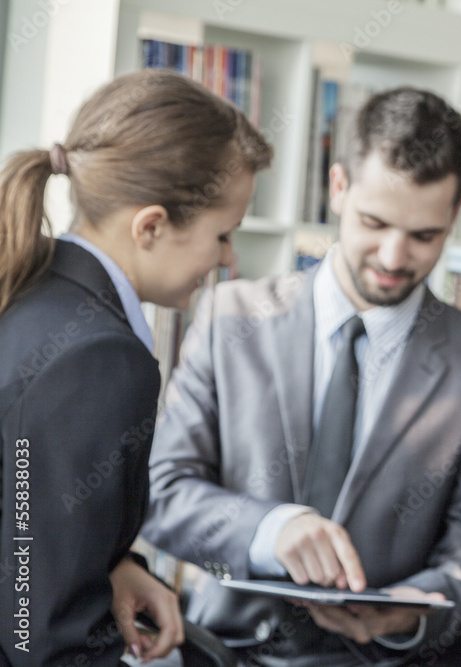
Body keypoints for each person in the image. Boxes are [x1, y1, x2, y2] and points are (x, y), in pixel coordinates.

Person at [140, 86, 461, 665]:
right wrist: (271, 530)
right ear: (338, 187)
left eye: (424, 236)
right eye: (375, 223)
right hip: (231, 650)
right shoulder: (231, 318)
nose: (395, 256)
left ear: (456, 214)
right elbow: (164, 493)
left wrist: (407, 613)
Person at [0, 69, 272, 665]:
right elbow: (40, 636)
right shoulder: (97, 358)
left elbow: (25, 529)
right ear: (150, 226)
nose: (228, 259)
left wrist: (115, 564)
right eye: (222, 235)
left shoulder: (31, 289)